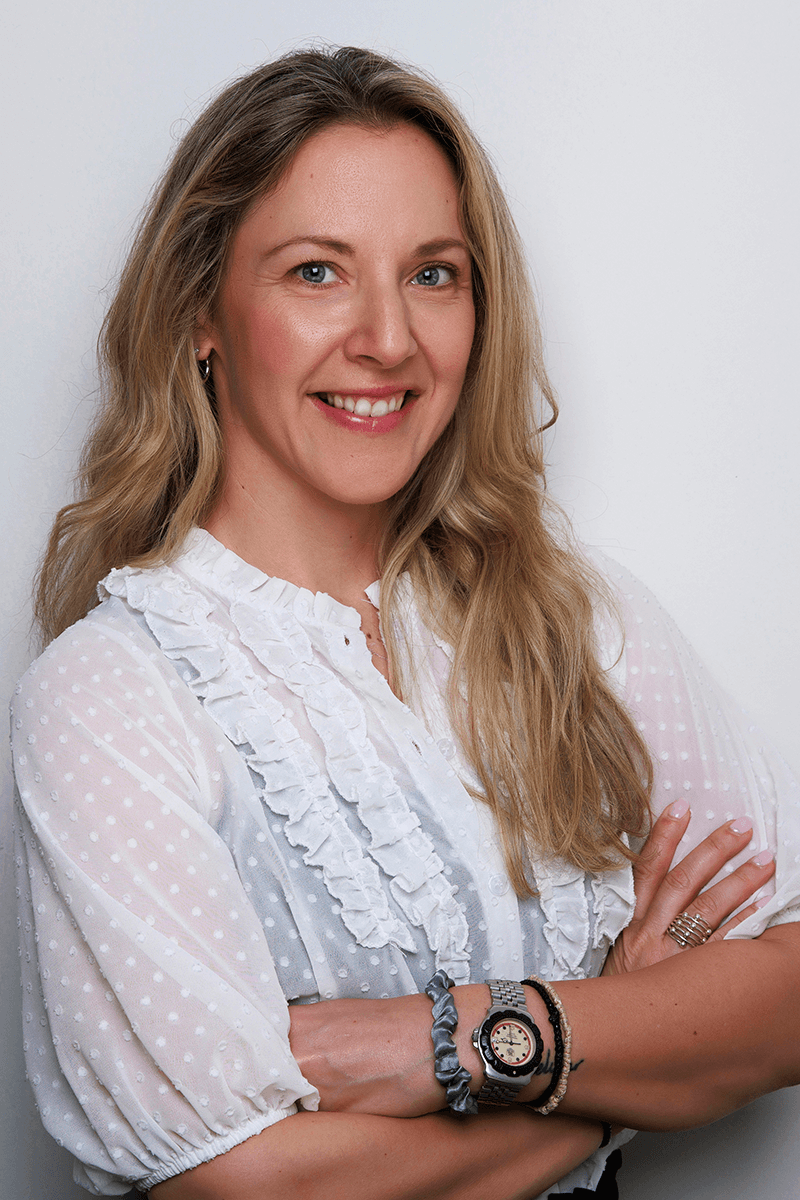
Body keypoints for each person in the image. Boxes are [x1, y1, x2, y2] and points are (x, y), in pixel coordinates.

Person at [12, 45, 800, 1200]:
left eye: (433, 274)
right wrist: (614, 1059)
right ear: (199, 314)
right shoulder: (113, 698)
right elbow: (252, 1188)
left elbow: (782, 999)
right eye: (317, 272)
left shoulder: (577, 619)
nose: (387, 339)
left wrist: (450, 1035)